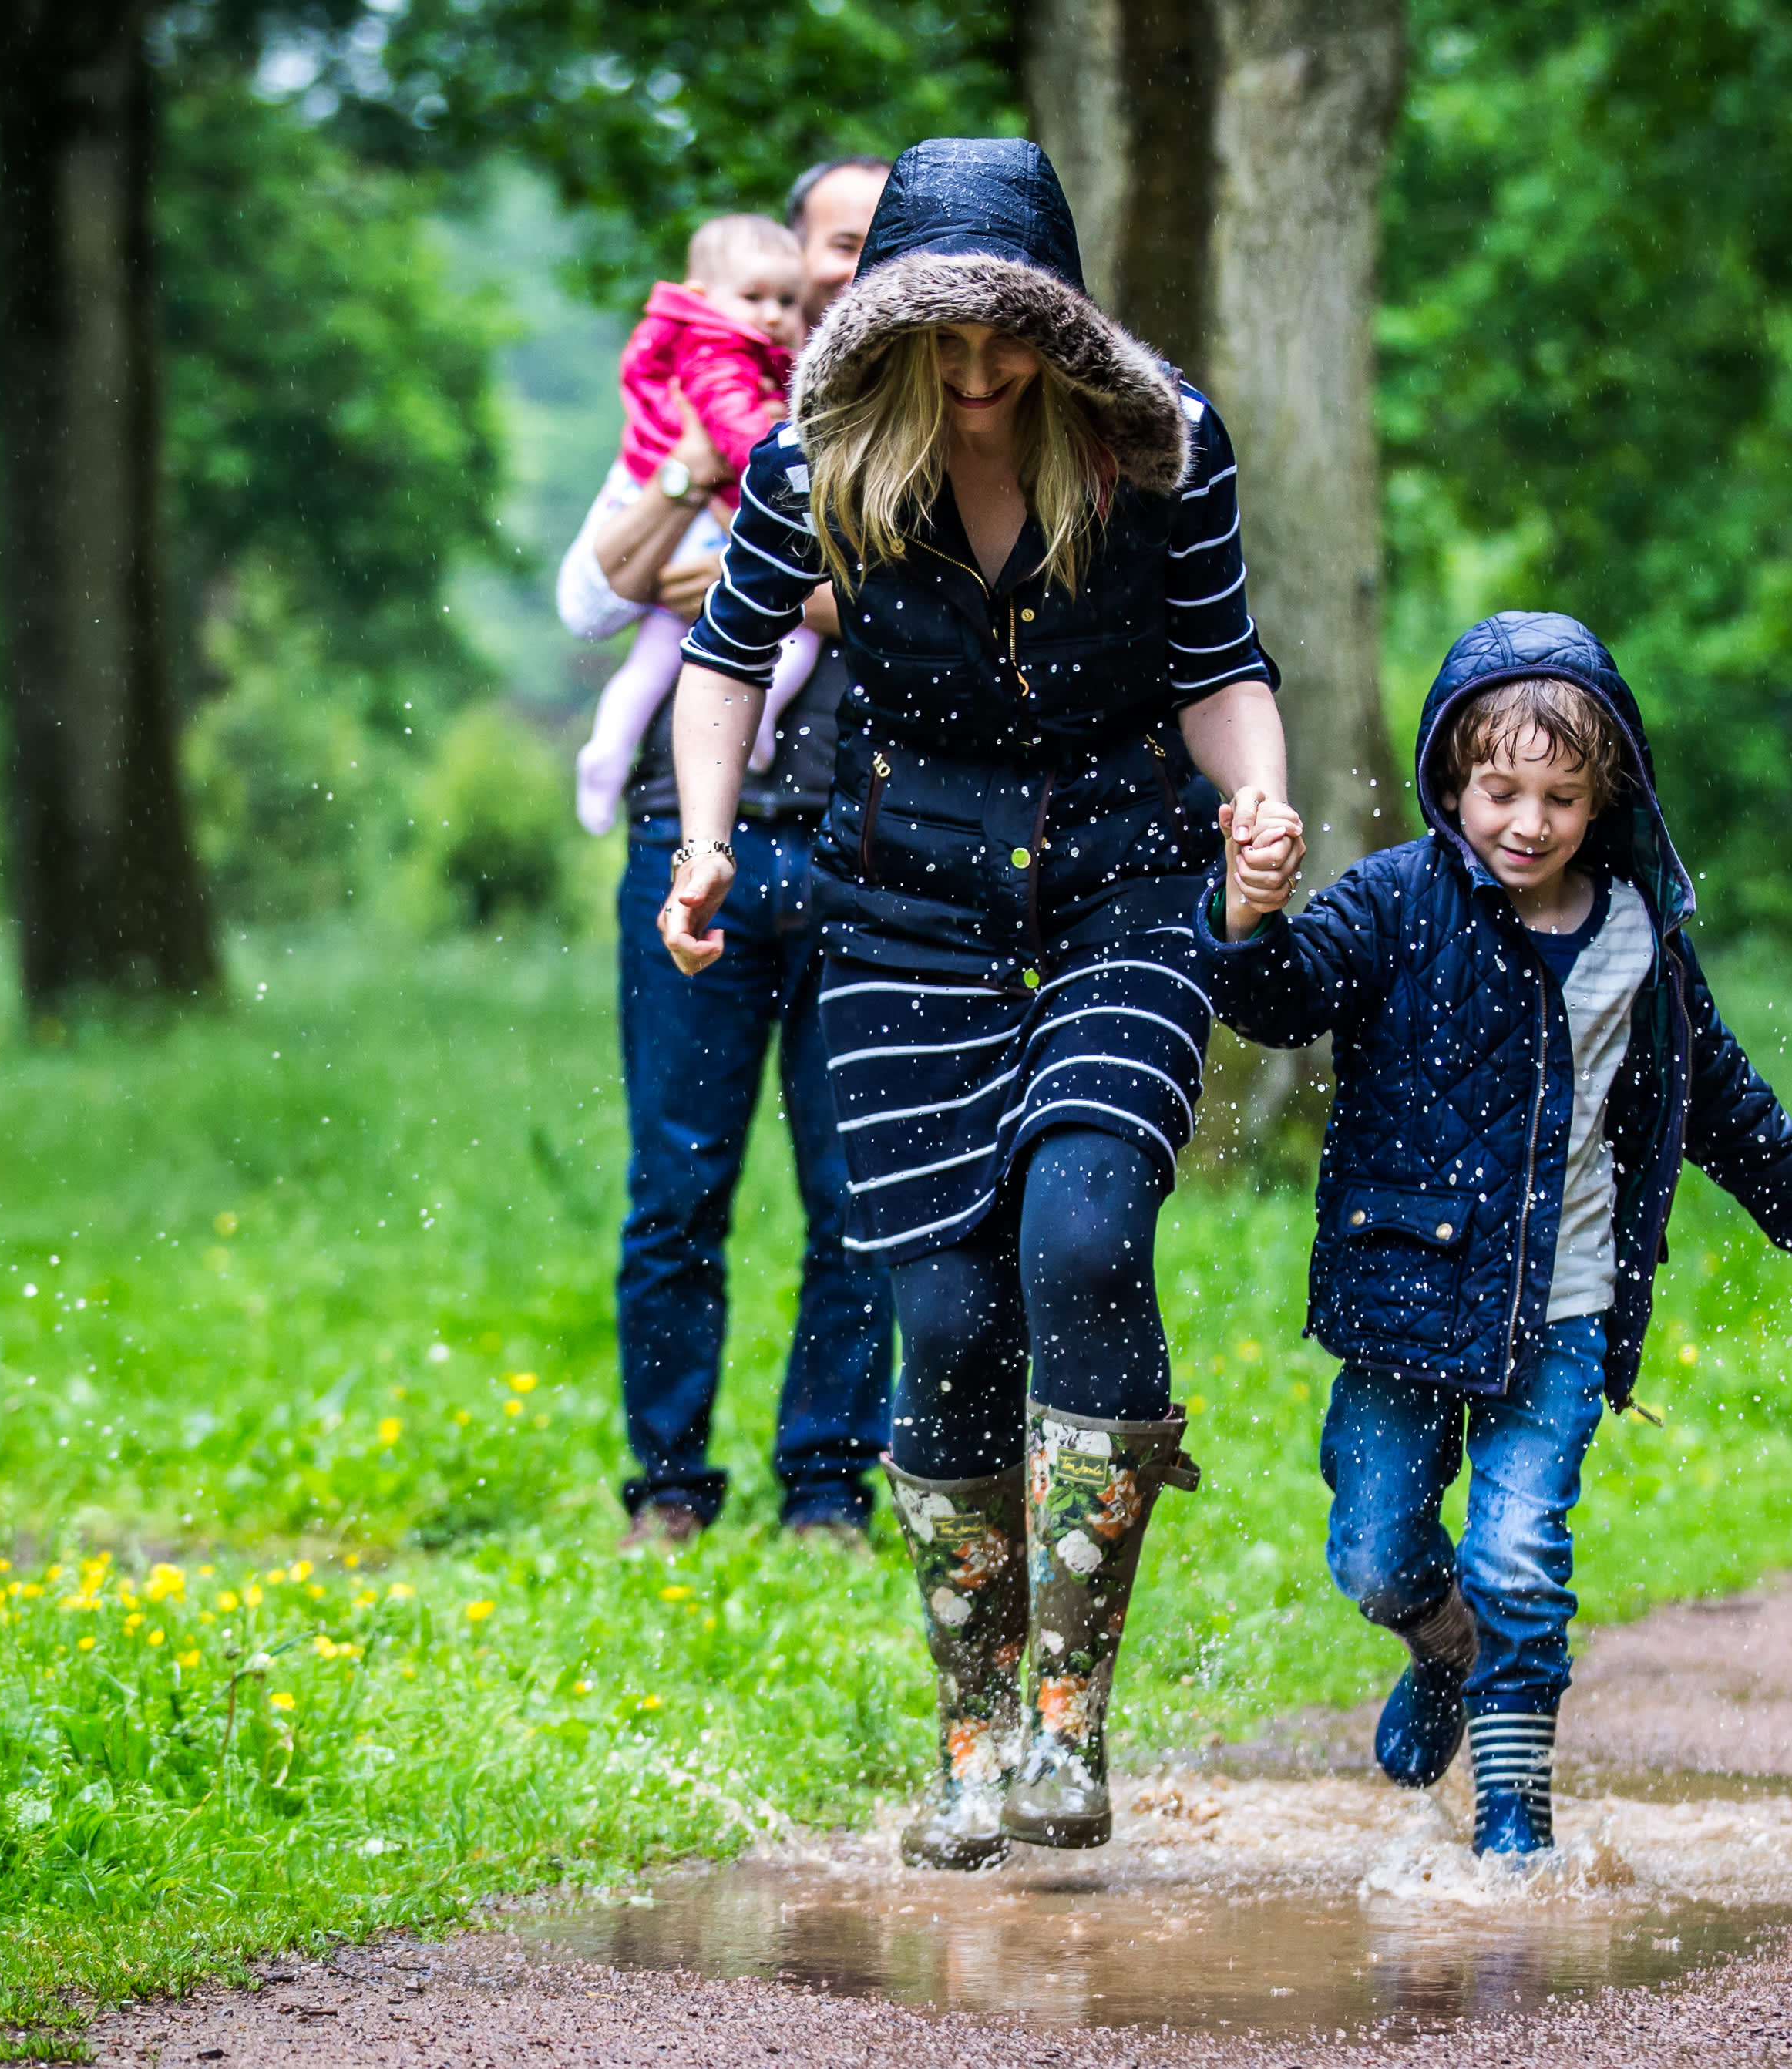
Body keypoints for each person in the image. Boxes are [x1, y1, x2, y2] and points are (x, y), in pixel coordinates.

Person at [657, 137, 1301, 1869]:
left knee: (1084, 1235)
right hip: (905, 908)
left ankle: (1068, 1723)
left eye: (1008, 336)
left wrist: (1259, 807)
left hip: (1128, 889)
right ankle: (967, 1730)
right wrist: (704, 848)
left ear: (1059, 324)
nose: (976, 374)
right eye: (940, 339)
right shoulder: (814, 456)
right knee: (940, 1317)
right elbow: (725, 665)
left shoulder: (1162, 442)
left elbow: (1223, 665)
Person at [1197, 611, 1792, 1859]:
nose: (1526, 820)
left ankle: (1514, 1812)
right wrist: (1242, 914)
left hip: (1563, 1306)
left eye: (1559, 795)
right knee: (1377, 1550)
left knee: (1518, 1549)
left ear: (1603, 795)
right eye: (1500, 788)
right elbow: (1281, 997)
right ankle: (1441, 1647)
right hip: (1404, 1293)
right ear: (1452, 779)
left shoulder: (1637, 937)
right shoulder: (1396, 901)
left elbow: (1714, 1092)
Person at [551, 160, 896, 1555]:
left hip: (871, 856)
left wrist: (771, 573)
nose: (855, 267)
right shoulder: (711, 389)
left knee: (858, 1195)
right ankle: (669, 1486)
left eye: (885, 244)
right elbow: (594, 593)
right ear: (791, 263)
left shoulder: (927, 416)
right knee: (677, 1185)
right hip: (686, 845)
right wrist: (703, 501)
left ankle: (826, 1487)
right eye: (836, 244)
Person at [573, 214, 822, 838]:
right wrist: (784, 466)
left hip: (708, 546)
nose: (772, 314)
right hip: (709, 530)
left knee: (658, 659)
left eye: (785, 303)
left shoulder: (737, 351)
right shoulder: (720, 356)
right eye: (755, 298)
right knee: (786, 640)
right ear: (704, 297)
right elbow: (585, 608)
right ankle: (752, 718)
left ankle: (606, 753)